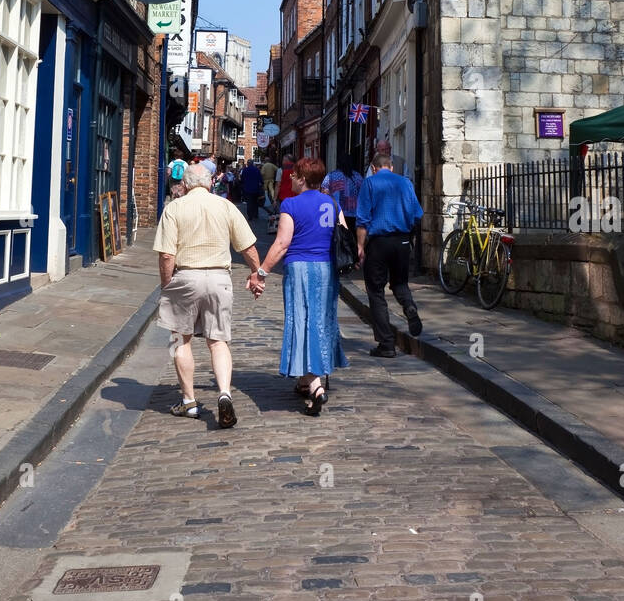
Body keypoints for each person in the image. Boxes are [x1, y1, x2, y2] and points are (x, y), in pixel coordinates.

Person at [154, 162, 263, 426]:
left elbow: (167, 254)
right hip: (218, 278)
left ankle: (189, 401)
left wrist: (167, 285)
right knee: (218, 341)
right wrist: (256, 274)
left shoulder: (174, 209)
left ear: (186, 184)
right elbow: (247, 246)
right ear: (210, 182)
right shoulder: (225, 206)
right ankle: (224, 393)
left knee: (180, 339)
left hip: (186, 276)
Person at [247, 156, 348, 414]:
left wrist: (261, 272)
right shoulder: (332, 203)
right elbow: (342, 234)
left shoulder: (290, 205)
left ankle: (315, 386)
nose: (290, 178)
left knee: (301, 321)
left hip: (300, 268)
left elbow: (281, 244)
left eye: (294, 175)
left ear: (303, 179)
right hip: (326, 269)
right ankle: (306, 380)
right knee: (321, 322)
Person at [356, 148, 424, 356]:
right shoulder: (405, 182)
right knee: (400, 283)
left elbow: (362, 219)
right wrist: (408, 237)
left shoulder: (370, 183)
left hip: (379, 243)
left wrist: (360, 247)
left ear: (374, 169)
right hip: (402, 241)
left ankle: (386, 344)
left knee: (376, 292)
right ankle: (409, 306)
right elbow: (417, 215)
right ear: (391, 167)